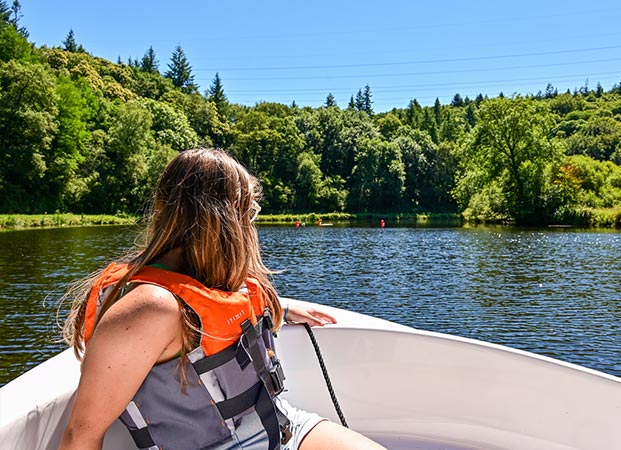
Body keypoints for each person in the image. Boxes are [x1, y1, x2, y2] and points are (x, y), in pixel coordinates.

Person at [59, 148, 387, 450]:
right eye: (250, 211)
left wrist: (283, 309)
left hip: (282, 427)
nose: (252, 223)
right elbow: (82, 433)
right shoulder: (149, 309)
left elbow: (228, 321)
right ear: (228, 217)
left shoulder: (210, 280)